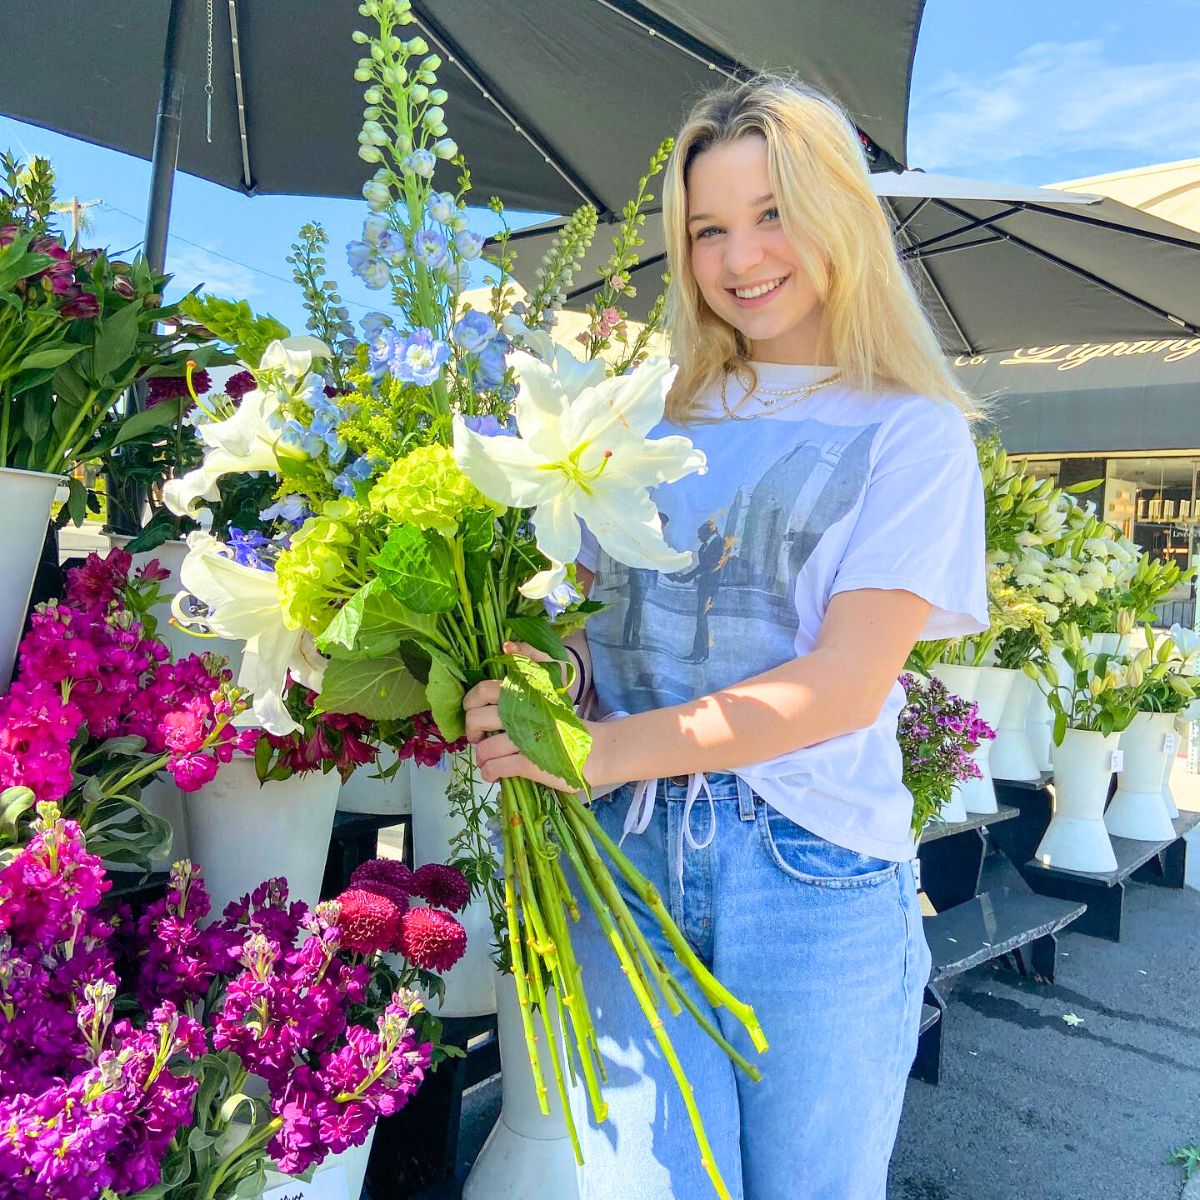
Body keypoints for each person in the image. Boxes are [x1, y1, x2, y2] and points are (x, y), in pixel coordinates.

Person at [463, 76, 988, 1200]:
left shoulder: (910, 429)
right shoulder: (637, 415)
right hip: (629, 862)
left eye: (773, 213)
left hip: (813, 875)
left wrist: (600, 752)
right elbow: (593, 635)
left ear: (840, 214)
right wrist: (536, 681)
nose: (741, 255)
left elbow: (847, 685)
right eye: (708, 228)